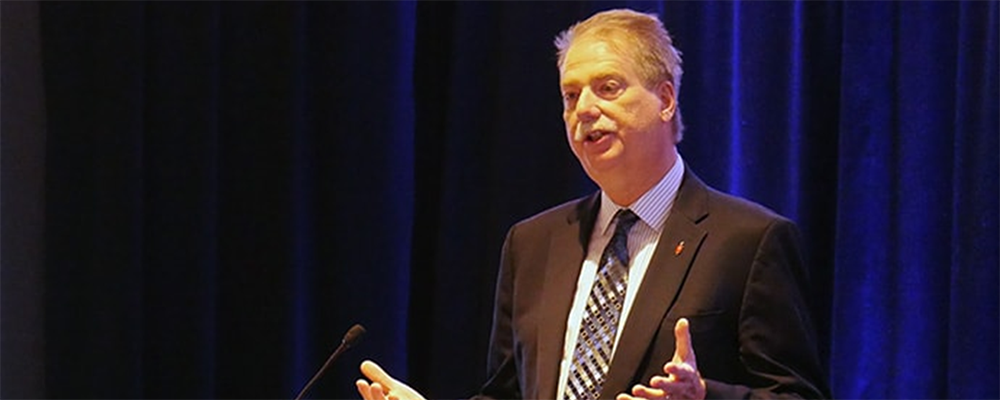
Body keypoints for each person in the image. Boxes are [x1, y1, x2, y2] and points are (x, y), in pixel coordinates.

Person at [357, 8, 829, 400]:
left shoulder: (747, 241)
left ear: (665, 99)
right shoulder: (532, 243)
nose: (583, 109)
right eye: (570, 95)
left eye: (607, 87)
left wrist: (705, 395)